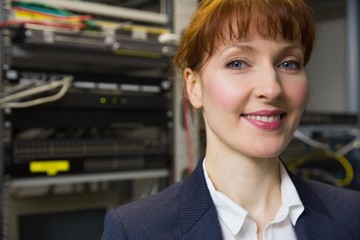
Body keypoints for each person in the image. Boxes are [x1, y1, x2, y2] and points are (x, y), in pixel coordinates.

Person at [102, 0, 360, 239]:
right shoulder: (135, 230)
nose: (271, 89)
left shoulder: (351, 215)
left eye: (289, 64)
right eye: (237, 63)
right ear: (194, 87)